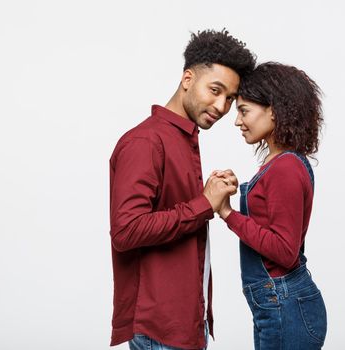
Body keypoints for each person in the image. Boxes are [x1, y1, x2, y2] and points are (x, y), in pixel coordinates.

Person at [109, 29, 256, 349]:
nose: (221, 106)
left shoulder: (183, 139)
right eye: (215, 90)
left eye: (230, 98)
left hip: (187, 324)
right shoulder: (146, 142)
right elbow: (126, 231)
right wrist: (204, 202)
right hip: (160, 330)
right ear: (187, 78)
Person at [213, 62, 327, 349]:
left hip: (284, 304)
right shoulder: (280, 162)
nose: (237, 121)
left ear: (273, 111)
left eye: (244, 110)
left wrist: (227, 213)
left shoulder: (285, 167)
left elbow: (284, 252)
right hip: (278, 304)